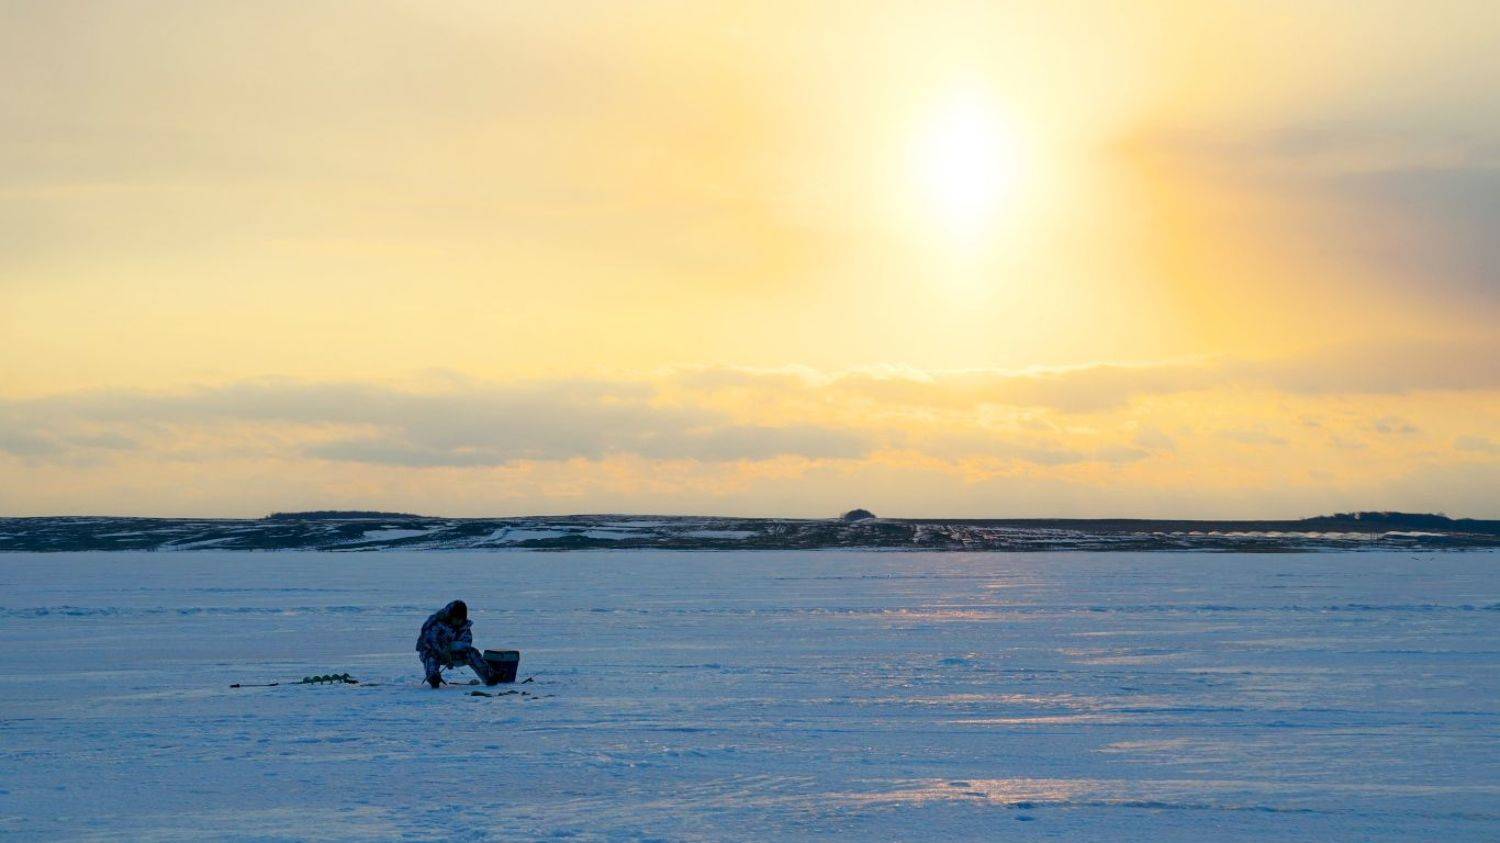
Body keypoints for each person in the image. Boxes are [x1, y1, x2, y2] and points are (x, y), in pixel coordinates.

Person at [415, 600, 500, 688]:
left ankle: (490, 677)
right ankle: (433, 677)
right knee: (430, 656)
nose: (459, 621)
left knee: (472, 652)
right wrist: (444, 652)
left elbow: (467, 642)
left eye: (461, 619)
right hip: (434, 652)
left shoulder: (464, 626)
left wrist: (454, 649)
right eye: (456, 618)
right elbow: (428, 641)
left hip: (453, 654)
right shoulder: (435, 622)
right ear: (450, 616)